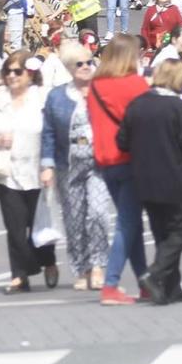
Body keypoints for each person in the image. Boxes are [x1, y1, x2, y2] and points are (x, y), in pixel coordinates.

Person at [118, 59, 182, 305]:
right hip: (178, 180)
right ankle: (156, 274)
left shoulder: (137, 105)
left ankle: (172, 286)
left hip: (145, 180)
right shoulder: (178, 107)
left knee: (162, 232)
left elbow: (122, 141)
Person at [0, 48, 58, 293]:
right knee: (15, 226)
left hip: (37, 169)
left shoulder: (41, 99)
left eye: (17, 71)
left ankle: (48, 260)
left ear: (29, 74)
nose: (11, 76)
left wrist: (51, 164)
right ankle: (19, 275)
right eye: (7, 71)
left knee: (37, 224)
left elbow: (51, 133)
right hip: (8, 171)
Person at [39, 39, 110, 292]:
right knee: (74, 219)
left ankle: (100, 265)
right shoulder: (57, 96)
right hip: (68, 163)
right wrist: (46, 165)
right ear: (69, 68)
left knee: (99, 214)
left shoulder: (103, 91)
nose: (86, 67)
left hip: (99, 163)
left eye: (89, 62)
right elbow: (48, 132)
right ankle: (82, 268)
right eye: (79, 64)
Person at [85, 34, 152, 305]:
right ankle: (110, 284)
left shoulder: (96, 86)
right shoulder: (135, 85)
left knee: (130, 222)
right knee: (127, 223)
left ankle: (144, 281)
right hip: (131, 159)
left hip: (104, 159)